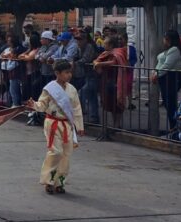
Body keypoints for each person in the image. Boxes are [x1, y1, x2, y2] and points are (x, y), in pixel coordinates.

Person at [27, 60, 84, 194]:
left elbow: (76, 108)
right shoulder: (50, 88)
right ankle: (49, 181)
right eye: (66, 72)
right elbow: (42, 104)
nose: (69, 75)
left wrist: (79, 125)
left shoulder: (72, 89)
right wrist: (34, 105)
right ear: (57, 73)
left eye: (70, 72)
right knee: (56, 151)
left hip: (67, 124)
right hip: (53, 123)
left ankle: (60, 182)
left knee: (66, 154)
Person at [93, 34, 128, 139]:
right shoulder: (105, 53)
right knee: (110, 104)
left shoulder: (118, 52)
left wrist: (100, 64)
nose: (104, 45)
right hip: (108, 80)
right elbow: (97, 60)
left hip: (116, 80)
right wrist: (97, 63)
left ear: (111, 44)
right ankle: (114, 124)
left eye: (106, 43)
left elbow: (114, 62)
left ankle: (117, 125)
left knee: (117, 104)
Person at [151, 30, 181, 136]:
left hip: (170, 78)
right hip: (162, 77)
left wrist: (156, 74)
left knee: (170, 104)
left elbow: (167, 66)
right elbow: (160, 64)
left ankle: (175, 127)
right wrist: (154, 72)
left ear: (169, 39)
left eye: (165, 38)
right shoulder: (167, 50)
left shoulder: (174, 50)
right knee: (167, 103)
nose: (163, 40)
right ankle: (173, 127)